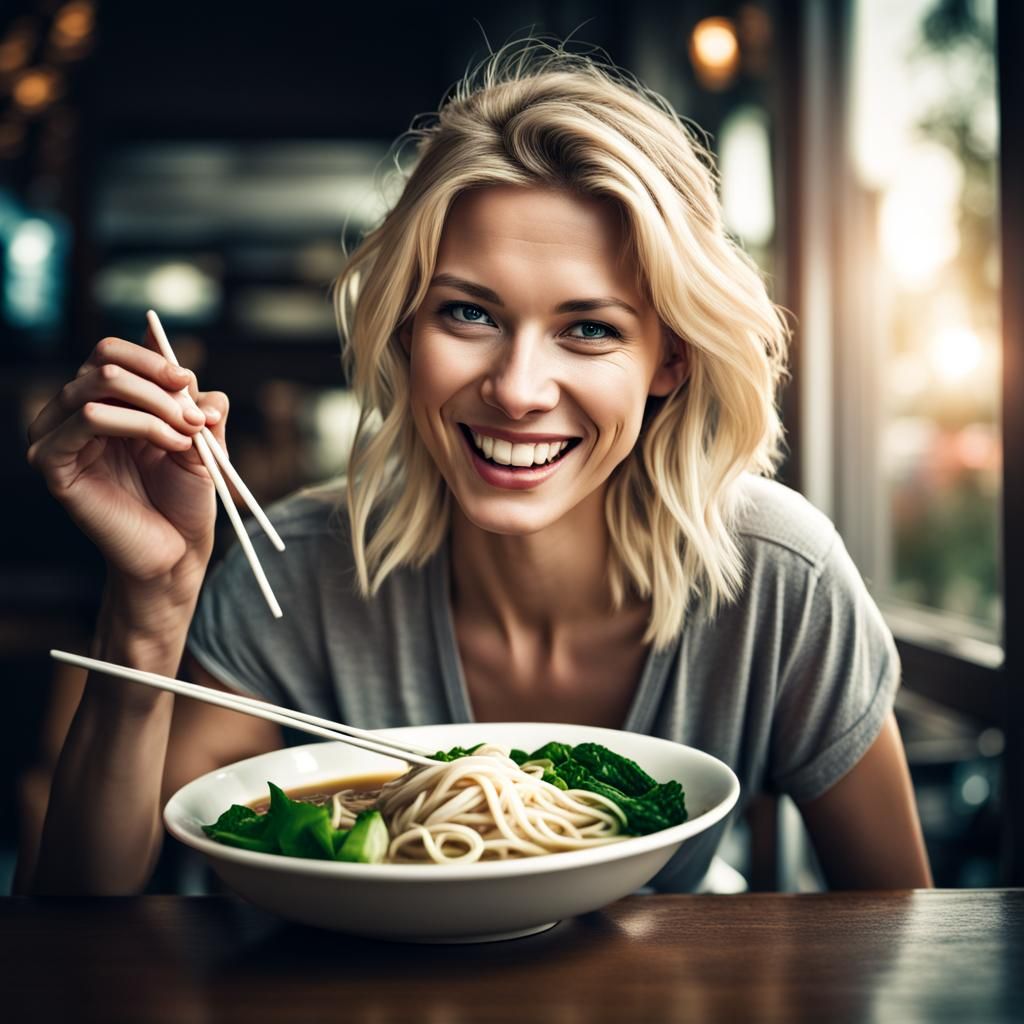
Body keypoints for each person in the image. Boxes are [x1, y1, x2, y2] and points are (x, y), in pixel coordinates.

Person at [17, 38, 932, 895]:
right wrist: (152, 604)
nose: (519, 389)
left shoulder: (782, 582)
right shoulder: (296, 573)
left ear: (672, 358)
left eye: (589, 328)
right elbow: (90, 930)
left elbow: (906, 931)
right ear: (408, 327)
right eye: (470, 314)